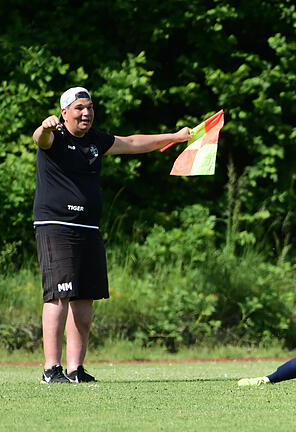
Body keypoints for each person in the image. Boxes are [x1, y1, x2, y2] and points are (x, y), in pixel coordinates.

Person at [33, 87, 191, 383]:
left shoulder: (96, 141)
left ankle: (74, 369)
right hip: (57, 225)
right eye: (79, 108)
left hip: (89, 228)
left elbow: (132, 142)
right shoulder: (54, 136)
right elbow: (40, 139)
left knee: (84, 300)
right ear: (65, 112)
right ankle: (50, 369)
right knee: (58, 296)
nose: (86, 113)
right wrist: (44, 125)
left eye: (90, 108)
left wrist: (174, 137)